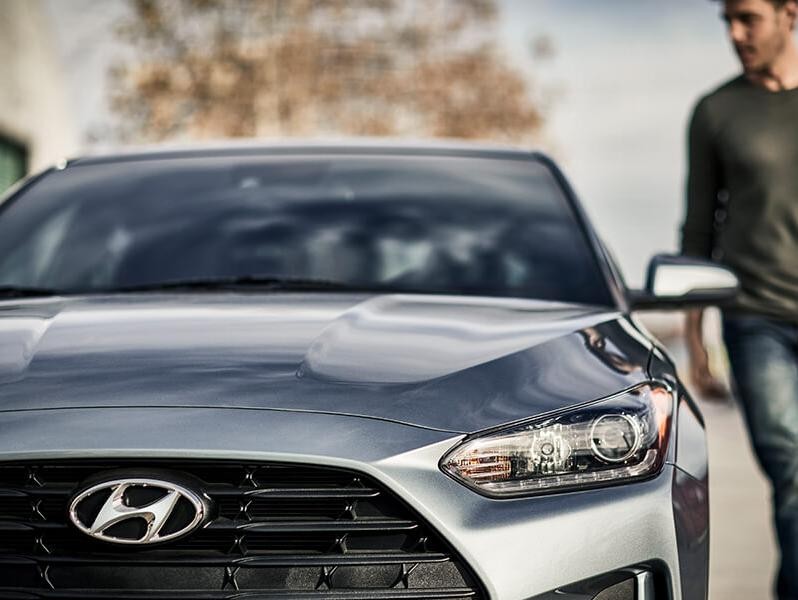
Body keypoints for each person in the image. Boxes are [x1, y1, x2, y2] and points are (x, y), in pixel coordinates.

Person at [681, 0, 798, 597]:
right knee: (794, 468)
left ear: (790, 14)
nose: (735, 33)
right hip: (757, 322)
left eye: (748, 17)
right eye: (727, 19)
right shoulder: (716, 112)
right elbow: (699, 229)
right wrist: (696, 336)